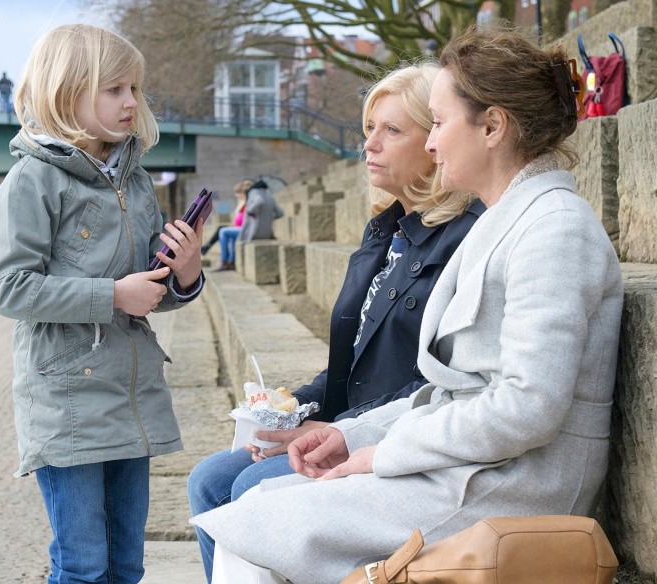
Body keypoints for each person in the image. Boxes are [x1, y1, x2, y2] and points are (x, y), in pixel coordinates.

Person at [191, 26, 624, 584]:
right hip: (473, 469)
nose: (433, 142)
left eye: (439, 123)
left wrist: (382, 453)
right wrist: (353, 436)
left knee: (254, 530)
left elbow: (526, 408)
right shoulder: (512, 219)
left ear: (493, 126)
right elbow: (450, 390)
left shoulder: (556, 229)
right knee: (250, 516)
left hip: (512, 486)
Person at [187, 62, 484, 582]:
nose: (369, 144)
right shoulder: (386, 234)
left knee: (245, 490)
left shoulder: (464, 239)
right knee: (208, 478)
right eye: (370, 128)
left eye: (392, 130)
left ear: (434, 141)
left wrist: (337, 430)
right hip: (345, 425)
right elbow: (348, 365)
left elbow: (443, 384)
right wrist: (287, 411)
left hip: (393, 439)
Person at [0, 24, 204, 584]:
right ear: (65, 91)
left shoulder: (136, 178)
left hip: (131, 397)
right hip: (68, 402)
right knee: (83, 566)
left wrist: (185, 274)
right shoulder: (31, 180)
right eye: (114, 89)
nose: (131, 102)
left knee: (126, 565)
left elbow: (147, 296)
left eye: (135, 89)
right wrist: (112, 294)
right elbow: (10, 289)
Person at [207, 178, 251, 271]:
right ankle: (230, 262)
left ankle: (224, 261)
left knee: (223, 231)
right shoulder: (242, 203)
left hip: (244, 229)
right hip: (239, 228)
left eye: (238, 193)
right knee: (227, 234)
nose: (236, 195)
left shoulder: (249, 203)